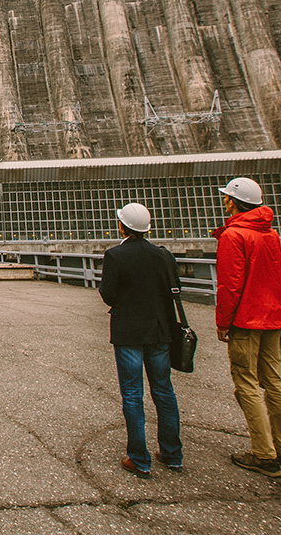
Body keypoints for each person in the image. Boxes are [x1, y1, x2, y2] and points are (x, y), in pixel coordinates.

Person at [215, 177, 281, 478]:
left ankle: (264, 455)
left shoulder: (234, 235)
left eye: (227, 198)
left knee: (247, 383)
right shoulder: (271, 234)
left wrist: (223, 322)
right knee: (275, 382)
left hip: (246, 319)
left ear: (233, 202)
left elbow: (230, 285)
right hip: (273, 317)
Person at [99, 203, 183, 479]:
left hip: (129, 333)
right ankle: (172, 454)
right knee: (164, 392)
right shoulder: (164, 255)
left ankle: (139, 458)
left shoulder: (115, 256)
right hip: (160, 331)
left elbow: (108, 295)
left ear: (122, 226)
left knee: (133, 394)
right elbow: (175, 289)